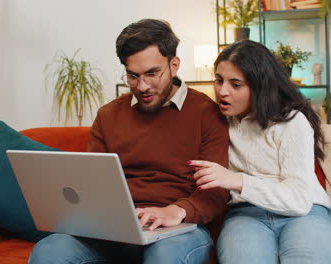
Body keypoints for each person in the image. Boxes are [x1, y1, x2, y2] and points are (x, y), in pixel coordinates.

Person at [28, 19, 229, 264]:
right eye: (133, 76)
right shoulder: (108, 115)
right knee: (50, 250)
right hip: (116, 230)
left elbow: (217, 191)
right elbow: (91, 185)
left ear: (174, 65)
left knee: (164, 256)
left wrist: (175, 211)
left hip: (180, 228)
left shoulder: (207, 113)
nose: (142, 86)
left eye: (152, 73)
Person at [189, 40, 331, 264]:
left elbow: (299, 201)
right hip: (245, 214)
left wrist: (238, 180)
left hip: (305, 214)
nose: (222, 92)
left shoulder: (291, 121)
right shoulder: (216, 120)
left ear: (260, 86)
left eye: (236, 84)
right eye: (219, 80)